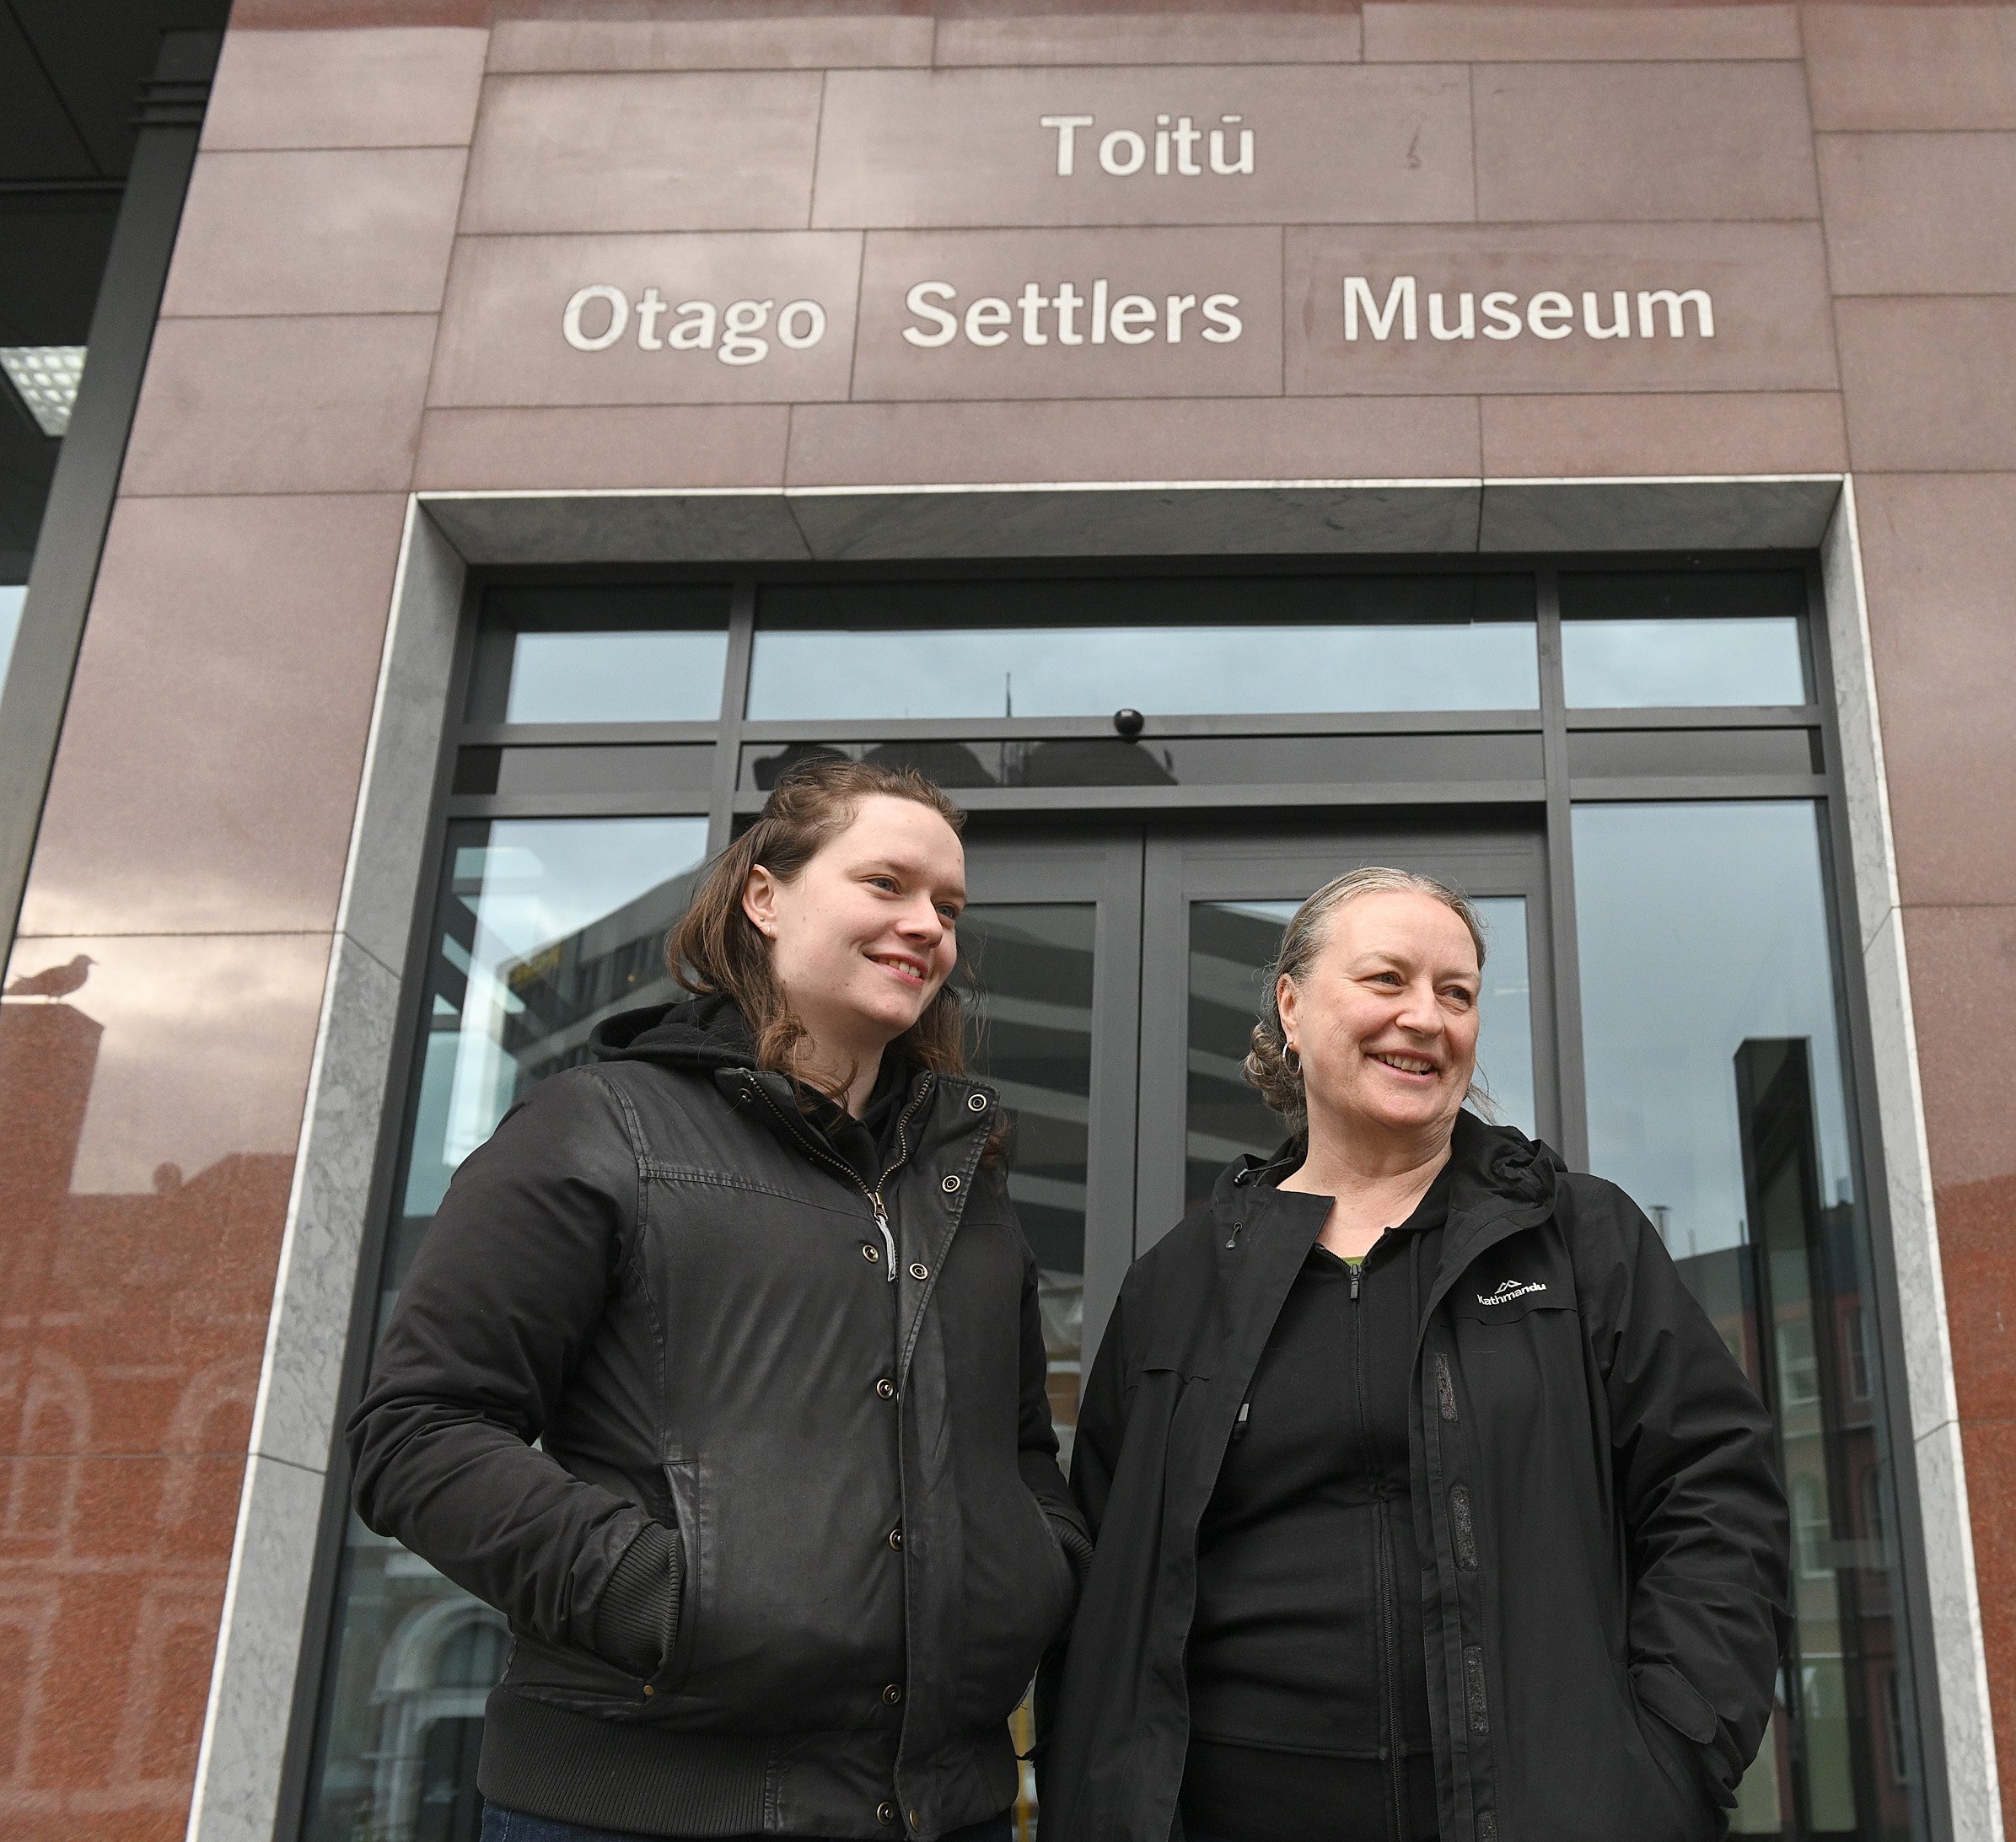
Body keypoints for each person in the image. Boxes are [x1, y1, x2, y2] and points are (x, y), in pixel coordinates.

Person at [348, 760, 1086, 1842]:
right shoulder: (600, 1129)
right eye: (885, 883)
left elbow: (1017, 1447)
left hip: (939, 1806)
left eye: (949, 906)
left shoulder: (965, 1184)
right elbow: (417, 1432)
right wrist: (660, 1592)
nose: (927, 925)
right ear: (765, 896)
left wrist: (1034, 1575)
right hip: (635, 1811)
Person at [1040, 867, 1790, 1842]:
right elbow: (1111, 1575)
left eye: (1456, 992)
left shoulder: (1580, 1239)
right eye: (1387, 979)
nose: (1424, 1018)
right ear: (1292, 1006)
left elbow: (1717, 1495)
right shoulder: (1182, 1281)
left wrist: (1671, 1756)